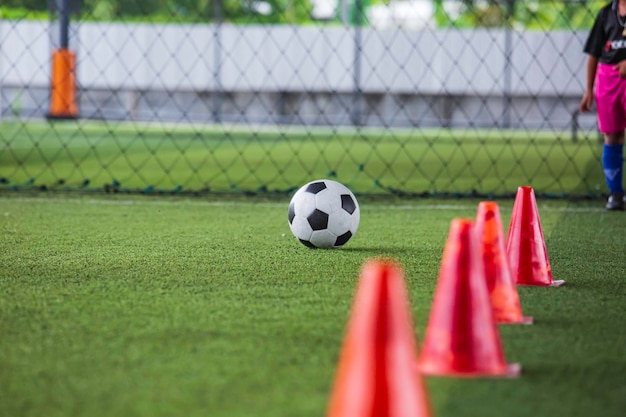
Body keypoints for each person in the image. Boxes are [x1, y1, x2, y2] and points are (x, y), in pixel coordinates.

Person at [580, 0, 626, 210]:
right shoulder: (606, 13)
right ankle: (615, 193)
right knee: (612, 134)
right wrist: (589, 89)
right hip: (608, 80)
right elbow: (594, 54)